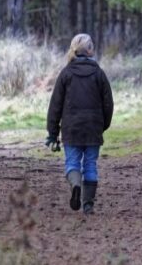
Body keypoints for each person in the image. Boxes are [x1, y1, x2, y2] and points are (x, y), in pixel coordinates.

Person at [46, 33, 114, 215]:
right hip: (93, 128)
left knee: (72, 164)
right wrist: (102, 125)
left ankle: (75, 185)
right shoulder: (99, 73)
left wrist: (52, 133)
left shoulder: (66, 73)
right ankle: (88, 204)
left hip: (71, 128)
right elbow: (108, 104)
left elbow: (55, 105)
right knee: (91, 164)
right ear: (90, 50)